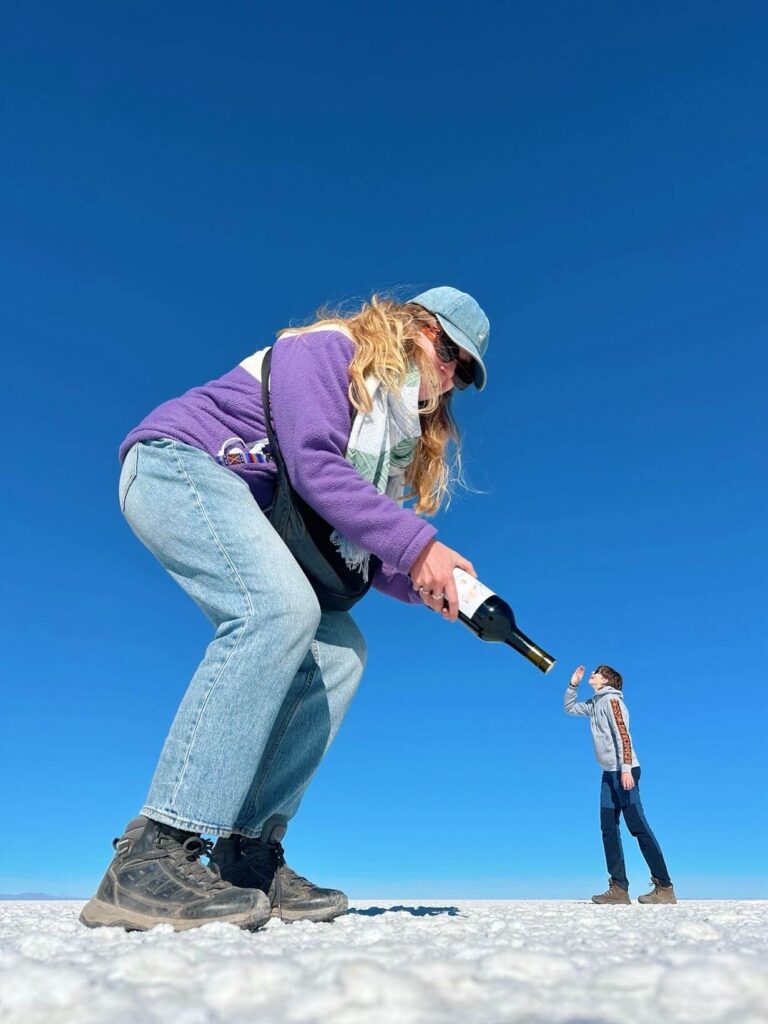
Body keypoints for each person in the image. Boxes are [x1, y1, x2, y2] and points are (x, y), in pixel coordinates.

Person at [80, 286, 489, 932]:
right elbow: (312, 466)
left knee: (342, 649)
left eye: (464, 373)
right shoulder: (329, 351)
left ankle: (246, 853)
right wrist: (421, 548)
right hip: (176, 464)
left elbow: (353, 546)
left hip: (243, 509)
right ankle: (152, 851)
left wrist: (425, 583)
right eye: (448, 350)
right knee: (278, 608)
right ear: (413, 325)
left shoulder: (387, 439)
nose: (450, 373)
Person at [565, 665, 676, 905]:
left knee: (637, 827)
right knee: (608, 828)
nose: (592, 675)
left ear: (607, 681)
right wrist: (573, 685)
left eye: (596, 673)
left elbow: (623, 735)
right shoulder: (594, 703)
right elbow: (570, 708)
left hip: (625, 772)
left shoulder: (613, 702)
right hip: (608, 773)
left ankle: (664, 887)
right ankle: (618, 888)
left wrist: (626, 770)